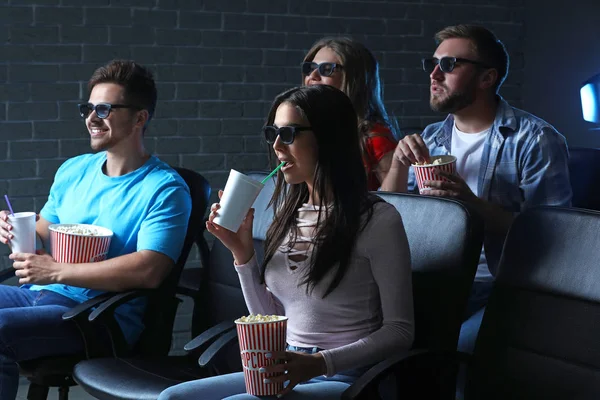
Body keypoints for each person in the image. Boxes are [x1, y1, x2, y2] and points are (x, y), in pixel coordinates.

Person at [158, 85, 414, 400]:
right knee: (173, 398)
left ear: (328, 137)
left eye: (289, 133)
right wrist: (243, 254)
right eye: (273, 133)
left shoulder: (378, 220)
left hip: (346, 377)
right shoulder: (287, 211)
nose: (277, 145)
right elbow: (271, 318)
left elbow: (400, 332)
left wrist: (319, 363)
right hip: (286, 363)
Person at [0, 60, 191, 399]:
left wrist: (57, 271)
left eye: (104, 109)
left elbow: (150, 270)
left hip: (98, 318)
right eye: (88, 108)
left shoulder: (165, 189)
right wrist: (14, 229)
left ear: (139, 118)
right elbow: (46, 228)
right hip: (40, 297)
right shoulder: (74, 169)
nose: (91, 118)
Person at [381, 24, 572, 356]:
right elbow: (388, 219)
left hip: (498, 287)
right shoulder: (431, 138)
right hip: (431, 279)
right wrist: (398, 165)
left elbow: (555, 240)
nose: (435, 74)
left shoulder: (534, 139)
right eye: (433, 64)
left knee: (452, 354)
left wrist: (470, 204)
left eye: (450, 65)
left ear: (487, 78)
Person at [302, 37, 398, 191]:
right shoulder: (306, 131)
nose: (312, 75)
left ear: (354, 79)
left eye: (326, 69)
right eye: (310, 68)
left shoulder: (374, 137)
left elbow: (398, 203)